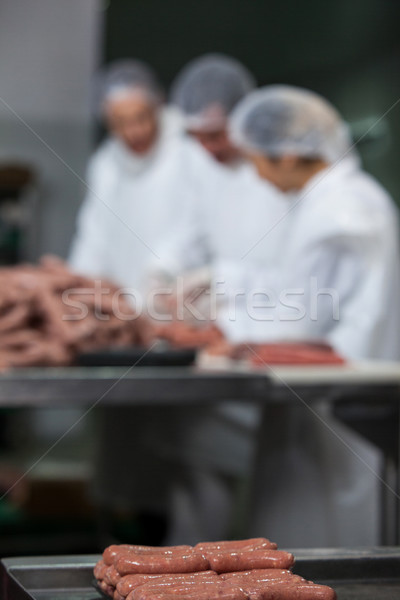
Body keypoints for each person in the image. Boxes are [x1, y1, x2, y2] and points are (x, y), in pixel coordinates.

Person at [223, 85, 400, 546]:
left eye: (255, 160)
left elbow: (301, 319)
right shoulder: (333, 201)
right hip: (326, 394)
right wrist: (226, 285)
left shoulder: (341, 211)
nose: (257, 177)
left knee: (324, 541)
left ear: (285, 154)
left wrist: (225, 327)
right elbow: (303, 292)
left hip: (339, 399)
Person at [69, 59, 226, 543]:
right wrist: (80, 292)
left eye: (141, 118)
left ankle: (181, 554)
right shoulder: (105, 164)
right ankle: (130, 547)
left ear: (158, 106)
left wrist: (161, 277)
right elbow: (93, 237)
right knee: (126, 449)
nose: (133, 131)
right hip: (123, 329)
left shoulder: (189, 151)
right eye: (120, 123)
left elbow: (202, 224)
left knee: (183, 448)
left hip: (180, 316)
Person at [170, 53, 256, 166]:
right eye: (199, 138)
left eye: (215, 136)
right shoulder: (181, 166)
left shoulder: (272, 171)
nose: (210, 148)